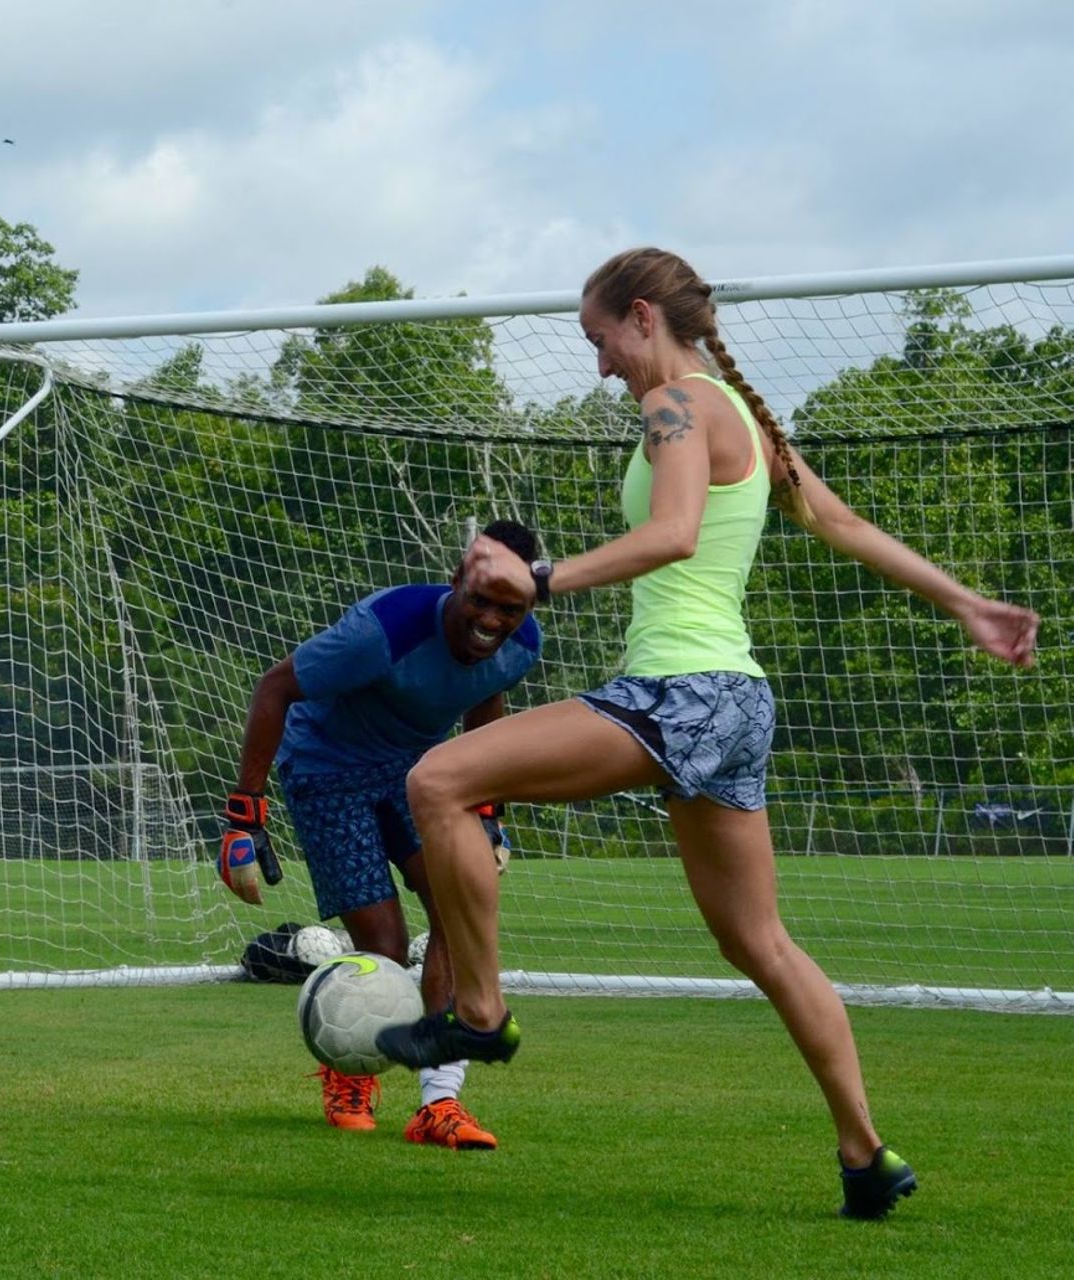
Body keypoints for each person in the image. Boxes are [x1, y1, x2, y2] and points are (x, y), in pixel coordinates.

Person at [375, 247, 1040, 1217]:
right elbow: (840, 518)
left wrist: (541, 579)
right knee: (759, 941)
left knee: (435, 780)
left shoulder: (677, 405)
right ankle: (863, 1153)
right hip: (734, 706)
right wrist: (964, 603)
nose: (597, 363)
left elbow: (673, 532)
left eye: (596, 338)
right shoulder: (734, 411)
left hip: (677, 694)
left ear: (638, 315)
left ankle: (478, 1011)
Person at [219, 521, 543, 1148]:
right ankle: (350, 1074)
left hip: (419, 773)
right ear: (457, 582)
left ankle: (439, 1105)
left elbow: (486, 705)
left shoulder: (522, 643)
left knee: (459, 913)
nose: (492, 619)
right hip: (326, 770)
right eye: (481, 599)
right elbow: (275, 686)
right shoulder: (382, 632)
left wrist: (487, 811)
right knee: (386, 944)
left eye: (511, 607)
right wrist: (244, 814)